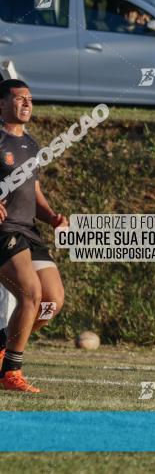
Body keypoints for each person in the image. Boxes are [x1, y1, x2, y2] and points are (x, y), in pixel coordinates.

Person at [0, 79, 69, 393]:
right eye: (18, 98)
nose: (26, 103)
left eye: (29, 98)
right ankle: (10, 372)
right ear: (1, 104)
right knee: (30, 294)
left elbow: (34, 191)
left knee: (51, 302)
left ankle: (3, 345)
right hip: (4, 232)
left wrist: (52, 216)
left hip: (29, 230)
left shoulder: (31, 144)